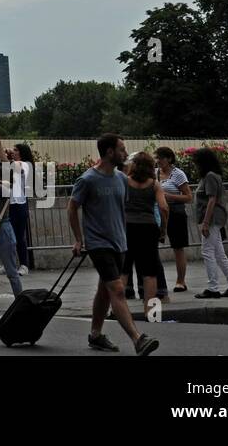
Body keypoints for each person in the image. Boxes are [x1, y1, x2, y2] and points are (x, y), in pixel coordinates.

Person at [68, 134, 159, 355]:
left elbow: (119, 209)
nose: (126, 154)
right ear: (109, 152)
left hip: (120, 242)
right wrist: (79, 239)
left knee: (105, 291)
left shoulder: (121, 179)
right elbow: (72, 208)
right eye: (122, 150)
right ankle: (138, 339)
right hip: (98, 243)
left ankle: (96, 335)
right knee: (117, 289)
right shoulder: (87, 179)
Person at [186, 147, 228, 299]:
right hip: (215, 218)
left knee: (207, 252)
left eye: (196, 162)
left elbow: (212, 199)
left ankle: (213, 287)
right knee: (218, 253)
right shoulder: (212, 175)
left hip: (212, 218)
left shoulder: (210, 176)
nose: (195, 165)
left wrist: (205, 222)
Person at [122, 152, 168, 308]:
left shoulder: (125, 181)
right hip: (148, 227)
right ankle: (150, 310)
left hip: (127, 226)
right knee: (150, 271)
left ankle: (117, 307)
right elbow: (164, 208)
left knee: (124, 267)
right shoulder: (154, 185)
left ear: (134, 165)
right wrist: (163, 229)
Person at [0, 142, 24, 305]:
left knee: (11, 271)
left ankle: (20, 299)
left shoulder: (6, 184)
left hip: (4, 228)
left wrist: (1, 147)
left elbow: (4, 187)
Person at [155, 147, 192, 291]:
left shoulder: (178, 174)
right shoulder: (155, 174)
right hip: (158, 213)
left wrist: (169, 197)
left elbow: (188, 197)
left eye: (161, 158)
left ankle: (180, 281)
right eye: (157, 158)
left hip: (175, 212)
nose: (158, 161)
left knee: (178, 247)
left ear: (169, 159)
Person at [10, 143, 34, 272]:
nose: (13, 152)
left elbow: (16, 166)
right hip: (10, 204)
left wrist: (1, 146)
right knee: (8, 236)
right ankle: (9, 263)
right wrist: (5, 150)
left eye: (15, 150)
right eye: (13, 150)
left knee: (19, 236)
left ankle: (24, 264)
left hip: (20, 204)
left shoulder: (25, 164)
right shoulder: (12, 163)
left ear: (21, 153)